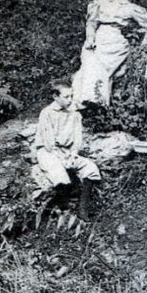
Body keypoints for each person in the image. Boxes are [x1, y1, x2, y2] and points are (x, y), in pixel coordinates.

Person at [72, 0, 147, 108]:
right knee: (87, 65)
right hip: (98, 39)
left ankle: (97, 104)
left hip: (116, 43)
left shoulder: (130, 7)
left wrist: (144, 46)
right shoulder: (99, 3)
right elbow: (91, 23)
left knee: (101, 67)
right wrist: (90, 39)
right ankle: (81, 105)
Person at [34, 79, 101, 218]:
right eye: (66, 97)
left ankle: (83, 209)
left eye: (71, 95)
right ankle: (62, 210)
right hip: (48, 152)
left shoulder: (74, 113)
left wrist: (73, 154)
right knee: (60, 174)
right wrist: (62, 159)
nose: (70, 100)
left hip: (67, 152)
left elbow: (77, 138)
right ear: (55, 97)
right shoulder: (46, 113)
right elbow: (48, 142)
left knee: (91, 168)